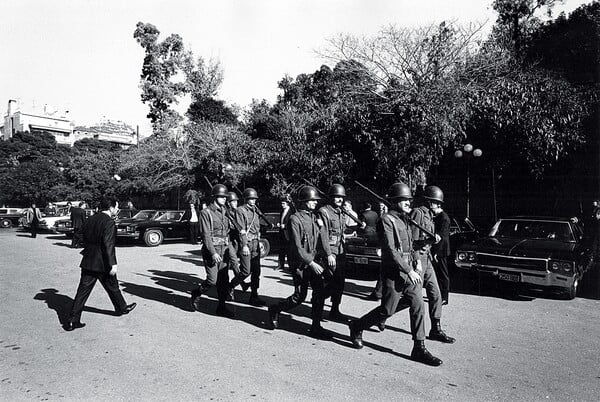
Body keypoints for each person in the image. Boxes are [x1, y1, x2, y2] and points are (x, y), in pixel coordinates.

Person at [348, 183, 442, 366]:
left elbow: (412, 245)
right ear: (395, 201)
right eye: (404, 200)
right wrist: (408, 270)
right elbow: (391, 250)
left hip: (409, 271)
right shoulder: (387, 220)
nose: (408, 203)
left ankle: (419, 347)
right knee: (387, 310)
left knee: (417, 304)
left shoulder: (406, 219)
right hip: (393, 272)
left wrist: (417, 260)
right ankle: (357, 326)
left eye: (409, 200)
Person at [268, 185, 335, 339]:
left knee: (319, 292)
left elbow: (321, 238)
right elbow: (297, 247)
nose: (315, 203)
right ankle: (275, 309)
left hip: (313, 261)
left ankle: (316, 326)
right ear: (304, 201)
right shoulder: (295, 219)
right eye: (312, 200)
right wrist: (311, 263)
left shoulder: (314, 217)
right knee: (300, 296)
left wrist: (322, 227)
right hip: (300, 263)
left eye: (315, 201)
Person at [65, 197, 136, 331]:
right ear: (110, 208)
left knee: (82, 291)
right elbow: (108, 244)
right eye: (116, 207)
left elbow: (78, 235)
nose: (116, 209)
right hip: (103, 262)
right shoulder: (108, 222)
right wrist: (113, 263)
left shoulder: (90, 219)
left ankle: (72, 320)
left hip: (88, 261)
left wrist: (88, 247)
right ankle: (122, 308)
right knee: (113, 286)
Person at [409, 185, 455, 343]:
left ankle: (436, 328)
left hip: (427, 258)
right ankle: (383, 316)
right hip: (418, 259)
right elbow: (412, 241)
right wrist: (416, 261)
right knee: (413, 298)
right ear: (429, 202)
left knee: (436, 294)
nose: (439, 206)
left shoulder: (431, 216)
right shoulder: (418, 213)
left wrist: (431, 243)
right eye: (437, 203)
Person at [190, 184, 235, 318]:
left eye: (225, 197)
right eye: (221, 197)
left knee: (224, 281)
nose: (224, 199)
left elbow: (227, 233)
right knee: (212, 280)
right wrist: (213, 253)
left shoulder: (225, 212)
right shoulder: (206, 213)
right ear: (215, 197)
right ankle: (196, 293)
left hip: (224, 249)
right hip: (212, 250)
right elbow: (206, 235)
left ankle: (221, 307)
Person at [229, 188, 268, 307]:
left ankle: (254, 296)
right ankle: (231, 286)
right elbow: (241, 229)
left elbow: (256, 227)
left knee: (256, 271)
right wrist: (244, 245)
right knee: (246, 271)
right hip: (247, 243)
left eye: (254, 199)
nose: (253, 201)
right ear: (246, 199)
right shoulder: (240, 211)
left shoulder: (256, 210)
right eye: (251, 199)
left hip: (256, 242)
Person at [316, 183, 348, 321]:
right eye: (337, 197)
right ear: (331, 197)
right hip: (329, 252)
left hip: (340, 251)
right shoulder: (324, 212)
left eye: (341, 197)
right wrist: (329, 254)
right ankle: (318, 300)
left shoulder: (340, 212)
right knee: (334, 281)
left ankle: (335, 309)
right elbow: (323, 234)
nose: (340, 199)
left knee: (340, 282)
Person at [431, 191, 451, 305]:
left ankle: (445, 297)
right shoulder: (438, 217)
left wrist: (436, 253)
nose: (431, 205)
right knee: (438, 273)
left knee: (443, 274)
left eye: (433, 202)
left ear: (438, 204)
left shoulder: (444, 218)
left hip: (441, 250)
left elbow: (441, 237)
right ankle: (439, 295)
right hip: (438, 249)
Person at [276, 196, 292, 271]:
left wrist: (285, 225)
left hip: (288, 234)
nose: (282, 205)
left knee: (289, 251)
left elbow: (292, 223)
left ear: (287, 204)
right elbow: (281, 220)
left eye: (283, 203)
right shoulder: (282, 211)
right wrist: (279, 223)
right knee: (281, 250)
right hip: (282, 233)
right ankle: (280, 265)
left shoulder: (291, 212)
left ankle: (290, 266)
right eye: (282, 203)